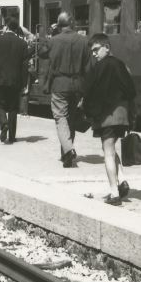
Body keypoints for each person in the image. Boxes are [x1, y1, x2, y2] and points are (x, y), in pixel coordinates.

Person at [82, 34, 137, 203]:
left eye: (96, 49)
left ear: (107, 47)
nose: (94, 54)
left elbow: (88, 92)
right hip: (122, 115)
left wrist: (88, 111)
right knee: (111, 149)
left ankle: (114, 193)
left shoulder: (98, 68)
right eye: (92, 51)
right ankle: (122, 180)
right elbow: (131, 91)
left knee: (108, 154)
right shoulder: (121, 65)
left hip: (106, 116)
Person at [38, 12, 91, 168]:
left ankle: (68, 150)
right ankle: (66, 155)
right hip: (77, 85)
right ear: (72, 23)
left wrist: (49, 35)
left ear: (59, 25)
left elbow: (41, 53)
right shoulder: (84, 41)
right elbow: (88, 67)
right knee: (71, 119)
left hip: (59, 84)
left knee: (61, 118)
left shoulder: (53, 40)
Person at [0, 14, 29, 143]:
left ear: (6, 27)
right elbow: (24, 66)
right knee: (13, 107)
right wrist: (24, 83)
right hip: (15, 81)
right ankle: (12, 137)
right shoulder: (22, 43)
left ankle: (4, 123)